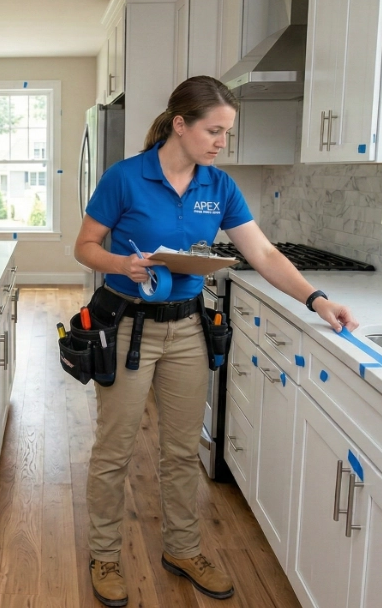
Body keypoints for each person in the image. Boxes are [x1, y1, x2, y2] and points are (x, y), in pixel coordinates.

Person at [74, 75, 359, 606]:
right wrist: (122, 264)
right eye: (214, 130)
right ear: (179, 124)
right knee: (115, 450)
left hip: (187, 329)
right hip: (129, 325)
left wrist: (317, 299)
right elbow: (85, 245)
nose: (221, 142)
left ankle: (182, 549)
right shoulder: (125, 178)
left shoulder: (219, 186)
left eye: (227, 133)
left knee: (182, 452)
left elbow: (266, 254)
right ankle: (105, 554)